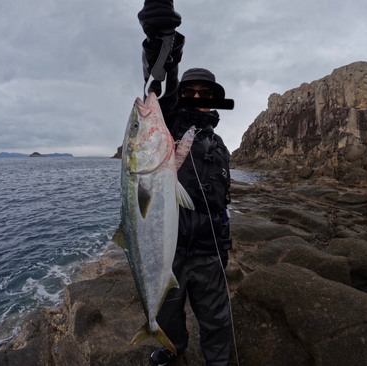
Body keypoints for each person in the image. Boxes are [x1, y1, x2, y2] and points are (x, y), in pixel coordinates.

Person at [138, 1, 233, 365]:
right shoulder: (172, 125)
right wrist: (161, 44)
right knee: (168, 316)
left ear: (214, 101)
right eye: (191, 91)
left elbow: (223, 205)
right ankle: (172, 351)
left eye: (204, 93)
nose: (195, 96)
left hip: (209, 255)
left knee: (217, 323)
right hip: (170, 252)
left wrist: (223, 250)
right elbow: (165, 85)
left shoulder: (220, 147)